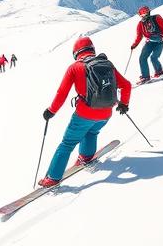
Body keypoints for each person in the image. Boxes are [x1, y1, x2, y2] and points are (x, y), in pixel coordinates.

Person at [38, 37, 132, 187]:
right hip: (106, 113)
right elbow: (126, 85)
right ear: (92, 49)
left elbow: (62, 93)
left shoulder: (75, 68)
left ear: (76, 52)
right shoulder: (107, 64)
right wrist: (124, 104)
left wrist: (51, 111)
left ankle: (52, 178)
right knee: (92, 132)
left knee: (67, 144)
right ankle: (86, 157)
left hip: (84, 114)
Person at [130, 6, 163, 83]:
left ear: (148, 13)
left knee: (153, 57)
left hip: (159, 41)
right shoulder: (141, 24)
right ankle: (145, 76)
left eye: (144, 14)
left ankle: (159, 71)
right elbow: (139, 36)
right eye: (141, 15)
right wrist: (134, 45)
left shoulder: (156, 18)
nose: (143, 17)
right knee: (142, 58)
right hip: (150, 42)